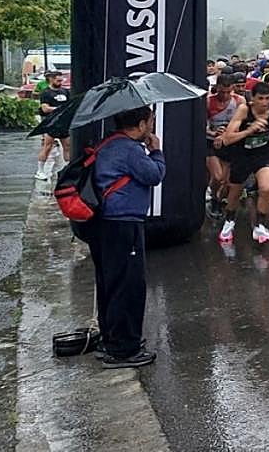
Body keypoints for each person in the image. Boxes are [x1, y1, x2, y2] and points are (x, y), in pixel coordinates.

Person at [88, 106, 165, 368]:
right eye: (151, 121)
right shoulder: (129, 149)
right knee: (128, 286)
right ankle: (123, 350)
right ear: (142, 124)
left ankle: (112, 339)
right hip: (123, 223)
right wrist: (156, 151)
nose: (152, 126)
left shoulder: (108, 143)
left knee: (110, 282)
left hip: (104, 223)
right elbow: (153, 175)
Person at [219, 81, 269, 245]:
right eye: (261, 98)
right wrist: (249, 131)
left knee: (266, 188)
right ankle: (229, 220)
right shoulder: (244, 110)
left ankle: (259, 225)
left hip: (263, 154)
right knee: (235, 192)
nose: (264, 102)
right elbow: (227, 138)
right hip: (242, 155)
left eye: (268, 98)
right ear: (252, 99)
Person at [205, 74, 243, 219]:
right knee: (218, 176)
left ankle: (218, 200)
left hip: (229, 142)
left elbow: (241, 124)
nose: (225, 95)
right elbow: (201, 125)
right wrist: (213, 133)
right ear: (217, 88)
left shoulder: (239, 101)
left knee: (226, 181)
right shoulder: (208, 102)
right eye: (222, 92)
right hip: (211, 142)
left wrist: (227, 134)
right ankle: (213, 197)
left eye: (229, 92)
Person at [36, 72, 72, 180]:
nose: (60, 83)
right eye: (58, 80)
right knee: (47, 146)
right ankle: (40, 170)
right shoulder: (46, 93)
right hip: (51, 123)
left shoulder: (65, 91)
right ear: (51, 80)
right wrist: (58, 109)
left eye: (62, 80)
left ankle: (68, 168)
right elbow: (44, 108)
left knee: (67, 146)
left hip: (63, 123)